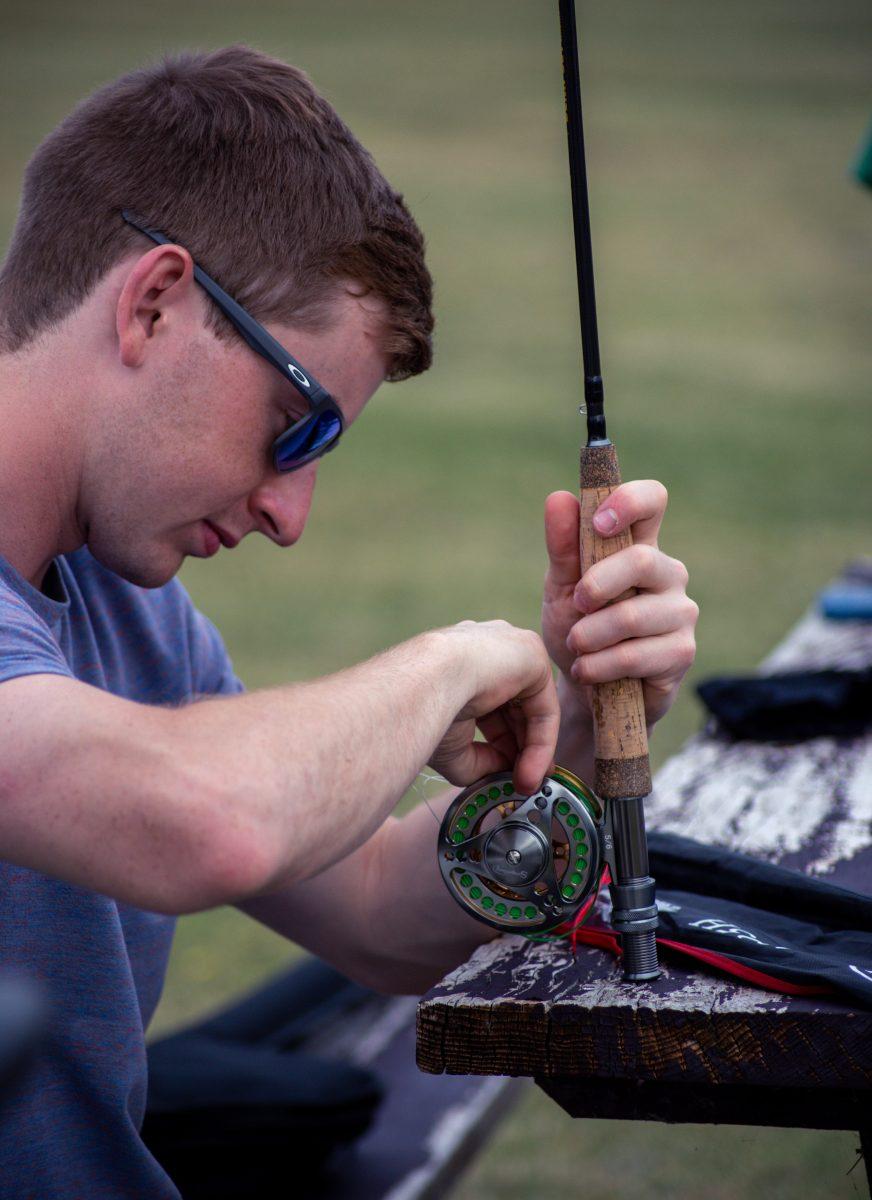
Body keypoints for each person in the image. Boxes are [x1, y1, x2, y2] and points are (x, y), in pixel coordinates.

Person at [0, 45, 698, 1197]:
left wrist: (569, 722)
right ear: (154, 302)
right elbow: (206, 824)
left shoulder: (133, 615)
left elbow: (373, 912)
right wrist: (454, 660)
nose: (289, 513)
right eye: (295, 425)